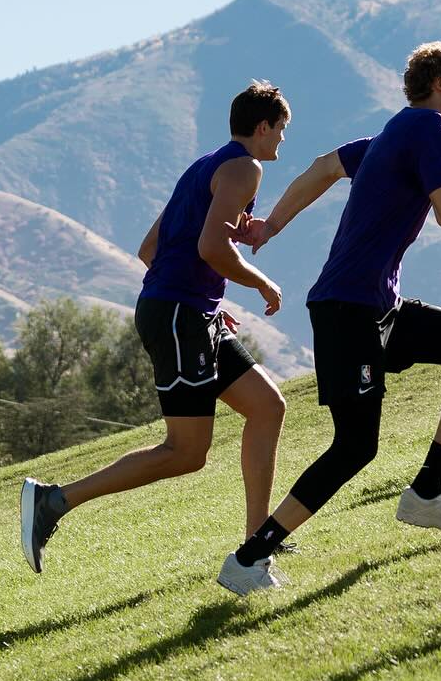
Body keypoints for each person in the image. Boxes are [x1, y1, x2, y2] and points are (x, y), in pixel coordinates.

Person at [217, 41, 441, 596]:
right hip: (348, 309)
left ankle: (428, 490)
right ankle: (248, 559)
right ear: (437, 84)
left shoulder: (391, 135)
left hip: (376, 307)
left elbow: (321, 168)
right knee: (355, 446)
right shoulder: (427, 128)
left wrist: (269, 227)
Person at [19, 81, 292, 574]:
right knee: (186, 452)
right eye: (281, 131)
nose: (282, 142)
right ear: (262, 126)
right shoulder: (244, 169)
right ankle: (52, 501)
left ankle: (258, 542)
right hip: (178, 316)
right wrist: (262, 284)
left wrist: (205, 300)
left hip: (187, 312)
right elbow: (211, 248)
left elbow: (151, 249)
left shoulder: (205, 167)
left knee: (268, 406)